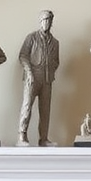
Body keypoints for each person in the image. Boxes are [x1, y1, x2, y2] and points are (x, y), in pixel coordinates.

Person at [18, 10, 60, 146]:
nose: (47, 22)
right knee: (27, 106)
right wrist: (29, 72)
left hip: (47, 80)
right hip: (32, 77)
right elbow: (23, 56)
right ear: (40, 21)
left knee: (45, 110)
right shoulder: (31, 37)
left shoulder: (55, 42)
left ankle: (44, 139)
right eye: (45, 20)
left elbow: (56, 61)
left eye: (49, 20)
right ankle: (22, 135)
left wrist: (50, 71)